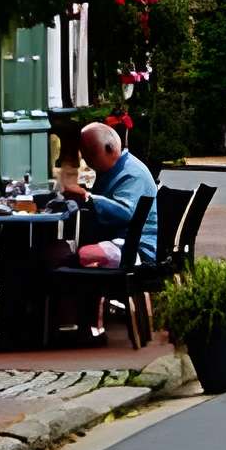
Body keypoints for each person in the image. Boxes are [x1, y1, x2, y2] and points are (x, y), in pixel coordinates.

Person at [50, 121, 158, 338]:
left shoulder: (132, 174)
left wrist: (88, 197)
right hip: (121, 242)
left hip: (133, 248)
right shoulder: (114, 169)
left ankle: (84, 324)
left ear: (110, 150)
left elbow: (126, 212)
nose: (87, 160)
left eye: (90, 153)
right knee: (58, 252)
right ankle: (67, 320)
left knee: (82, 255)